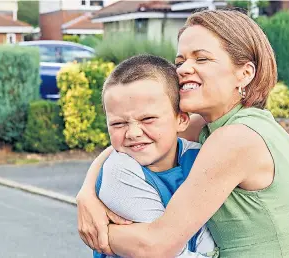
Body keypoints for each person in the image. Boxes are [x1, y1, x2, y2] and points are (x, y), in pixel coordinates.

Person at [77, 9, 289, 258]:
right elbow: (132, 142)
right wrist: (87, 193)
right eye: (180, 62)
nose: (183, 69)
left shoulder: (235, 138)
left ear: (245, 73)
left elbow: (156, 246)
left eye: (201, 59)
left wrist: (99, 230)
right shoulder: (231, 124)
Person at [93, 54, 218, 258]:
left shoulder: (197, 156)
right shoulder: (119, 172)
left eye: (148, 119)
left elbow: (207, 234)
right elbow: (162, 250)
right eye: (118, 123)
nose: (133, 133)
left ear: (181, 120)